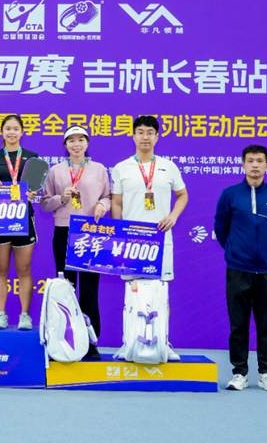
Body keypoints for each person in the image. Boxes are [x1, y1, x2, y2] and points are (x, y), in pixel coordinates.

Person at [111, 115, 188, 361]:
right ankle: (128, 343)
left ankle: (163, 342)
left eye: (150, 132)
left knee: (160, 292)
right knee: (132, 292)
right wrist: (119, 231)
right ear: (133, 136)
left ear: (157, 137)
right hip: (132, 240)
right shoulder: (121, 168)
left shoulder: (168, 166)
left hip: (160, 237)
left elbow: (183, 195)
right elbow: (116, 202)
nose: (145, 137)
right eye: (141, 132)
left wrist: (173, 216)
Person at [214, 144, 267, 392]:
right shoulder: (230, 194)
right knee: (238, 325)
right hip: (238, 269)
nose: (255, 165)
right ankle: (239, 373)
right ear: (243, 164)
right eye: (250, 160)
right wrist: (235, 250)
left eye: (259, 161)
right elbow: (221, 228)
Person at [41, 126, 110, 357]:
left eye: (81, 140)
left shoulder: (99, 169)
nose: (76, 144)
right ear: (65, 145)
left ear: (87, 143)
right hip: (64, 232)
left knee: (90, 290)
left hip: (90, 233)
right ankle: (65, 341)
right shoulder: (56, 171)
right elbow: (45, 203)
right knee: (65, 289)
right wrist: (62, 198)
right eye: (71, 140)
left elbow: (107, 197)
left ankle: (91, 342)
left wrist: (102, 206)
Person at [0, 114, 40, 330]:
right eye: (7, 128)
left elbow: (35, 186)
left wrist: (33, 192)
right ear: (1, 132)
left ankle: (25, 315)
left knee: (24, 269)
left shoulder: (32, 158)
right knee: (0, 269)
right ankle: (1, 314)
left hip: (23, 217)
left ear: (22, 132)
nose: (11, 132)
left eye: (16, 129)